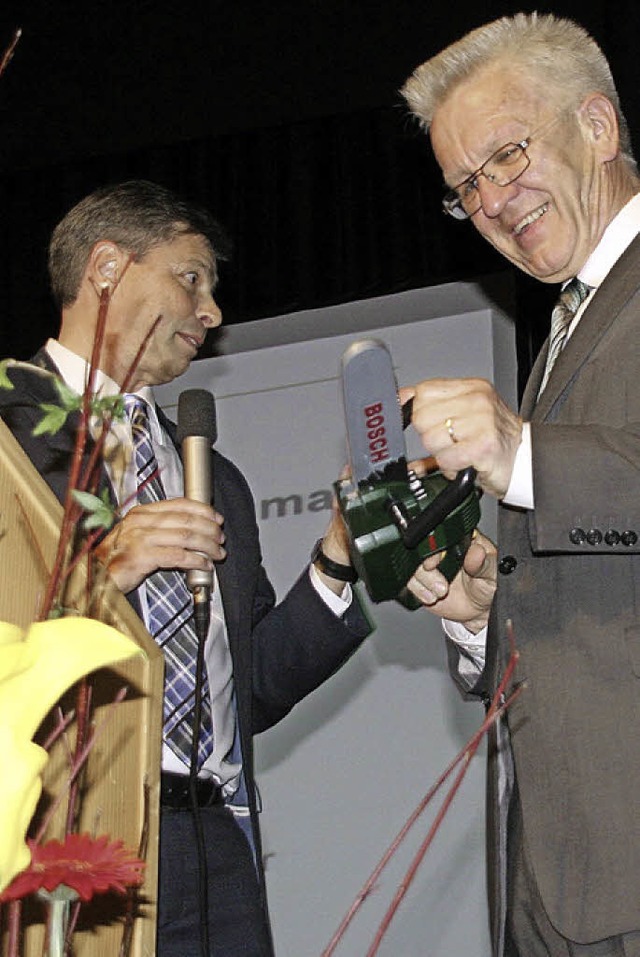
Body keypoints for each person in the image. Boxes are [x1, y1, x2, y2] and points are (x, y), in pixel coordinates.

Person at [0, 180, 372, 956]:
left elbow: (253, 688)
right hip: (59, 833)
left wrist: (339, 557)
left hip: (214, 842)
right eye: (191, 277)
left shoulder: (216, 477)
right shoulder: (7, 436)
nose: (212, 313)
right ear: (106, 267)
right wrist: (104, 572)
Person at [400, 13, 640, 957]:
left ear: (598, 127)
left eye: (505, 155)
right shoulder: (561, 333)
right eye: (466, 187)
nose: (492, 201)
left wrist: (524, 453)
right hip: (558, 873)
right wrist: (481, 606)